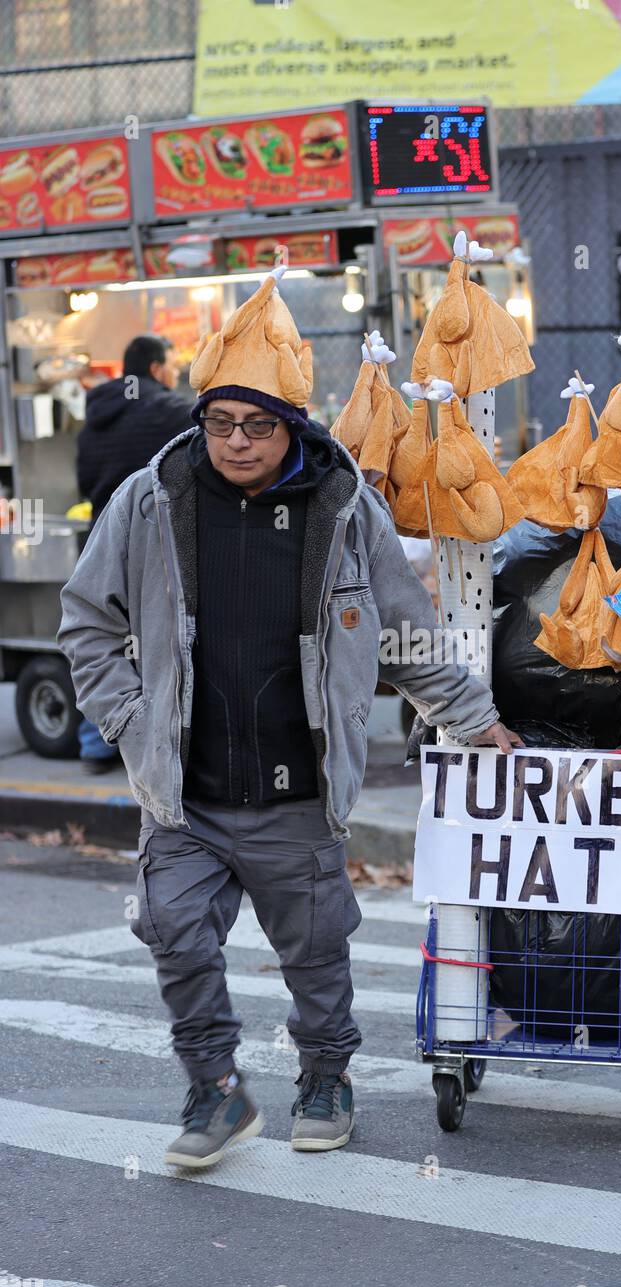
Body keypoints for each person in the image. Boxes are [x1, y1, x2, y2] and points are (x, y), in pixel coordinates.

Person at [57, 268, 524, 1168]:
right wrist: (128, 720)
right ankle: (215, 1090)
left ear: (292, 426)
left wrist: (475, 718)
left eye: (258, 425)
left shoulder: (343, 510)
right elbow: (88, 619)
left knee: (314, 951)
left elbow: (404, 632)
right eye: (220, 422)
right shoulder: (152, 500)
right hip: (183, 791)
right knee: (176, 936)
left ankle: (325, 1075)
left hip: (296, 788)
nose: (237, 441)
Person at [74, 334, 193, 772]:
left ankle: (94, 743)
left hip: (100, 545)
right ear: (158, 369)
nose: (176, 373)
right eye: (173, 365)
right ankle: (152, 738)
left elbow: (86, 484)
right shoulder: (170, 413)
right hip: (154, 545)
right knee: (156, 644)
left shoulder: (95, 418)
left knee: (102, 637)